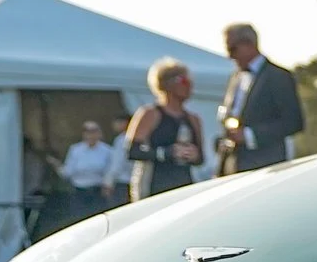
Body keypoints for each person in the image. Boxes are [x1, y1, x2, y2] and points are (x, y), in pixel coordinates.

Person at [217, 22, 305, 175]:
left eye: (232, 49)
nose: (229, 56)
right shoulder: (236, 77)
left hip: (267, 166)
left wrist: (250, 135)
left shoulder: (278, 76)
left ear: (249, 44)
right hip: (235, 166)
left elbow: (294, 122)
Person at [125, 58, 206, 200]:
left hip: (183, 184)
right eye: (184, 81)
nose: (189, 87)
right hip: (154, 184)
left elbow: (201, 158)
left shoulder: (193, 119)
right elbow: (132, 151)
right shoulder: (150, 114)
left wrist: (194, 155)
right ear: (168, 84)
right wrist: (166, 153)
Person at [58, 120, 115, 224]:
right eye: (88, 132)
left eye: (94, 132)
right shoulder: (75, 150)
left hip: (98, 192)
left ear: (99, 134)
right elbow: (68, 171)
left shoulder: (107, 151)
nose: (91, 135)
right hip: (79, 192)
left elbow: (111, 171)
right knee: (79, 220)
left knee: (98, 220)